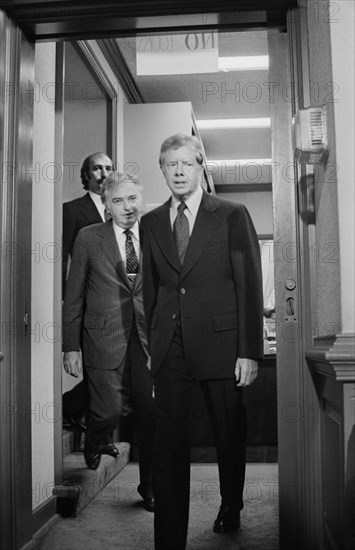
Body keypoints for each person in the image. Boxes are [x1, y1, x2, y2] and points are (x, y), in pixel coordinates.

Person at [140, 134, 264, 549]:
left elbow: (249, 284)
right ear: (162, 169)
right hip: (170, 346)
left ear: (200, 167)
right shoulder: (150, 222)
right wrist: (153, 351)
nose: (178, 171)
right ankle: (169, 540)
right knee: (167, 445)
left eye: (186, 164)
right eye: (170, 164)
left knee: (228, 435)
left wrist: (249, 350)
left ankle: (231, 503)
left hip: (222, 345)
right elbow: (153, 293)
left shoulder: (231, 214)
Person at [62, 172, 155, 512]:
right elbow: (73, 297)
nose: (127, 207)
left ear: (140, 199)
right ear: (106, 206)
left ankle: (150, 487)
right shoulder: (88, 238)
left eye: (132, 199)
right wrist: (70, 346)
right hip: (102, 337)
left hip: (147, 339)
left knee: (150, 413)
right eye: (118, 200)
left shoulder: (156, 232)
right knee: (110, 410)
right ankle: (96, 438)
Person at [62, 152, 113, 432]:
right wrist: (63, 294)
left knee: (113, 371)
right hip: (85, 304)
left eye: (108, 168)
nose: (103, 173)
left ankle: (74, 408)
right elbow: (60, 257)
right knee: (99, 369)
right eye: (97, 168)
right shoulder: (72, 210)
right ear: (86, 175)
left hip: (114, 306)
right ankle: (72, 407)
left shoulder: (120, 210)